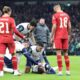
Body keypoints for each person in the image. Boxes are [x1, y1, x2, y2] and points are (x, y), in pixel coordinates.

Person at [0, 6, 25, 76]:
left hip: (1, 39)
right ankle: (15, 71)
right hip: (10, 39)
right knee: (13, 55)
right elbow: (15, 31)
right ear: (9, 11)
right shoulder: (11, 19)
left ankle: (1, 72)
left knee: (1, 56)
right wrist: (22, 36)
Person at [51, 4, 71, 76]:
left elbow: (54, 26)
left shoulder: (55, 15)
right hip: (65, 36)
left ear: (56, 8)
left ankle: (60, 71)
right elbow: (69, 26)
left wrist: (51, 35)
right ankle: (68, 71)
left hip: (58, 36)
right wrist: (68, 34)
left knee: (58, 53)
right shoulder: (67, 15)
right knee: (66, 53)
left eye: (54, 9)